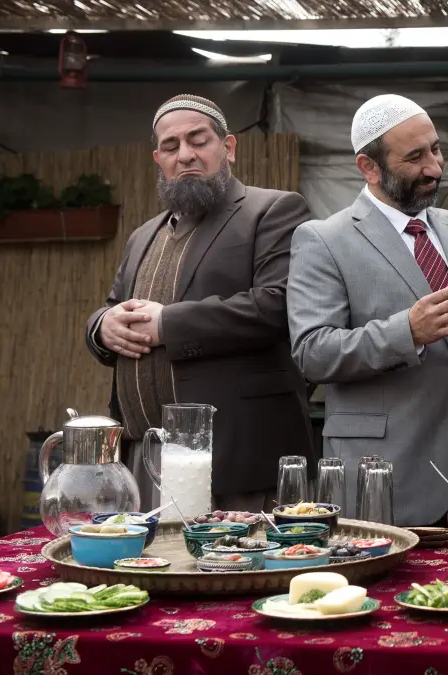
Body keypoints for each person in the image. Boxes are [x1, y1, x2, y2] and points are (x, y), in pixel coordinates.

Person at [287, 94, 448, 528]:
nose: (434, 167)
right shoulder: (323, 240)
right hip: (387, 471)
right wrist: (409, 331)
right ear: (369, 167)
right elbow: (313, 351)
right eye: (415, 157)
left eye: (436, 149)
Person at [85, 94, 315, 514]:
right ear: (158, 158)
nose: (185, 155)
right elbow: (112, 306)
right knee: (157, 575)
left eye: (198, 140)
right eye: (171, 147)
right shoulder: (143, 236)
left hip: (240, 459)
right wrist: (102, 327)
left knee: (247, 574)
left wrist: (166, 325)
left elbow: (277, 305)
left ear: (228, 147)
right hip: (147, 459)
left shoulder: (273, 210)